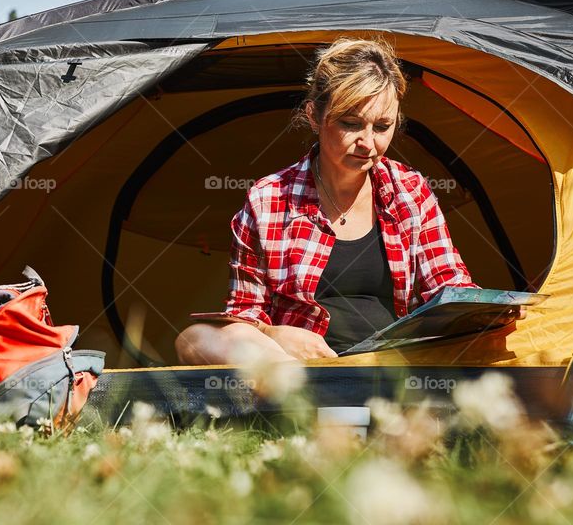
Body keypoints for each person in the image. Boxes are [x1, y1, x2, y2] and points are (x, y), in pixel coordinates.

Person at [175, 37, 483, 365]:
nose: (367, 142)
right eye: (350, 124)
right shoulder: (268, 200)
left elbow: (450, 288)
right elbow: (243, 317)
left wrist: (489, 308)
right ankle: (299, 394)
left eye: (382, 126)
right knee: (194, 339)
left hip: (391, 369)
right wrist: (273, 335)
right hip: (296, 367)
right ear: (314, 115)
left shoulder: (412, 192)